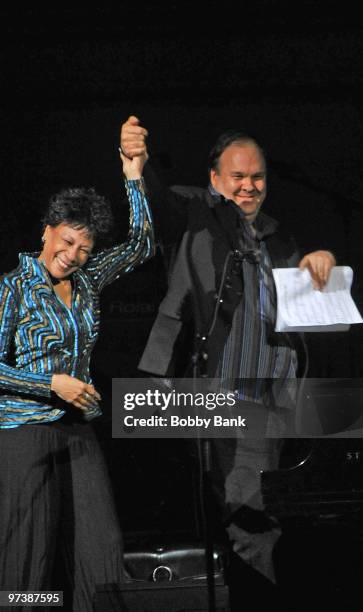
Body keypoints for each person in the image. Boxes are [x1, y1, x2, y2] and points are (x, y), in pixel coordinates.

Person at [120, 116, 336, 587]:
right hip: (216, 387)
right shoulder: (201, 215)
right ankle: (257, 591)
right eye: (237, 176)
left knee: (252, 509)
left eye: (257, 176)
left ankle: (259, 588)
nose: (248, 186)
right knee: (239, 508)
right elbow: (160, 204)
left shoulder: (278, 237)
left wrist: (318, 263)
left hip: (272, 391)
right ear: (216, 180)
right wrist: (137, 165)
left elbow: (307, 301)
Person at [0, 131, 154, 611]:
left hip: (78, 434)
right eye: (67, 241)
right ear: (47, 231)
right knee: (28, 560)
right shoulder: (13, 289)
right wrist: (50, 383)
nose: (73, 254)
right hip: (23, 431)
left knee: (101, 551)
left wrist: (133, 175)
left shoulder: (88, 279)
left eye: (85, 248)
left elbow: (142, 245)